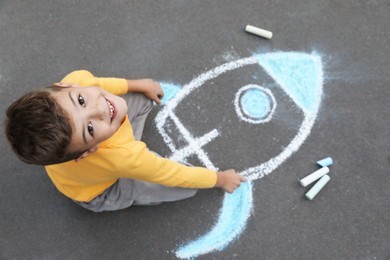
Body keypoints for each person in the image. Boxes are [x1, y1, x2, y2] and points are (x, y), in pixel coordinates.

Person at [5, 70, 246, 212]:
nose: (99, 108)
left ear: (66, 85)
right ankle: (126, 196)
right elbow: (173, 173)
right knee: (181, 189)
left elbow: (100, 84)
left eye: (81, 100)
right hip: (99, 191)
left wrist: (137, 85)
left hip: (81, 164)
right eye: (89, 128)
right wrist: (220, 179)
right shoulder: (122, 156)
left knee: (140, 100)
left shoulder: (78, 80)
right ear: (87, 152)